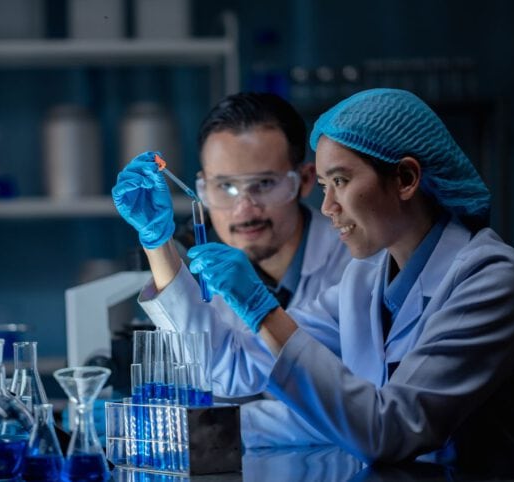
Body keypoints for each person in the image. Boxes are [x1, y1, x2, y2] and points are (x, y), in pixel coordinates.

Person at [168, 88, 514, 469]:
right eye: (327, 187)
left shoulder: (490, 280)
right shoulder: (366, 278)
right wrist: (157, 245)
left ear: (406, 178)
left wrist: (262, 310)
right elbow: (238, 367)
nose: (328, 207)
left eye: (341, 182)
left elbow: (389, 430)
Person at [112, 92, 351, 447]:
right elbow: (215, 375)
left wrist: (209, 426)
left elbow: (348, 408)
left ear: (303, 180)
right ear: (202, 188)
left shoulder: (353, 264)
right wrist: (156, 242)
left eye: (264, 184)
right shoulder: (209, 270)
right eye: (225, 186)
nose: (244, 210)